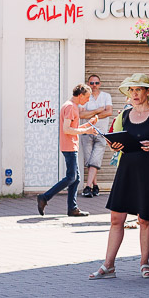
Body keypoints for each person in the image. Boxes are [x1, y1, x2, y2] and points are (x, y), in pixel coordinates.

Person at [89, 74, 149, 280]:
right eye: (131, 91)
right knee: (116, 218)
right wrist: (113, 144)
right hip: (126, 171)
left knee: (145, 219)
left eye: (139, 90)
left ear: (147, 92)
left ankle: (144, 263)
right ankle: (108, 265)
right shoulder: (123, 116)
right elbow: (112, 139)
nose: (134, 94)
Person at [35, 84, 93, 217]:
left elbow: (72, 127)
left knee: (76, 179)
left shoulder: (70, 106)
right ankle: (44, 197)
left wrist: (88, 125)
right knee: (71, 177)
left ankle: (72, 208)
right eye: (87, 97)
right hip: (69, 146)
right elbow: (67, 129)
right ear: (80, 95)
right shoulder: (71, 107)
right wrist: (86, 130)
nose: (88, 100)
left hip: (70, 145)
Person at [78, 74, 116, 198]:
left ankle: (88, 187)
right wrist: (98, 111)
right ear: (88, 84)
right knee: (90, 161)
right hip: (86, 132)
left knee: (94, 160)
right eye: (91, 83)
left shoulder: (106, 96)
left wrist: (93, 116)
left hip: (101, 133)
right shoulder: (84, 97)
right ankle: (95, 186)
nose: (94, 86)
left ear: (100, 83)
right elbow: (81, 115)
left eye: (96, 83)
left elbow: (109, 111)